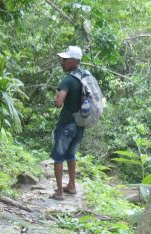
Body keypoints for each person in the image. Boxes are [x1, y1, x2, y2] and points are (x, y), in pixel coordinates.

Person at [51, 46, 85, 200]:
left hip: (66, 124)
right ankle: (72, 185)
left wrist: (57, 96)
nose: (62, 62)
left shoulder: (68, 80)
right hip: (80, 124)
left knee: (58, 157)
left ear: (73, 61)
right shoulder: (84, 76)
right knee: (71, 154)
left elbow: (59, 103)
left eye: (65, 60)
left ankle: (59, 193)